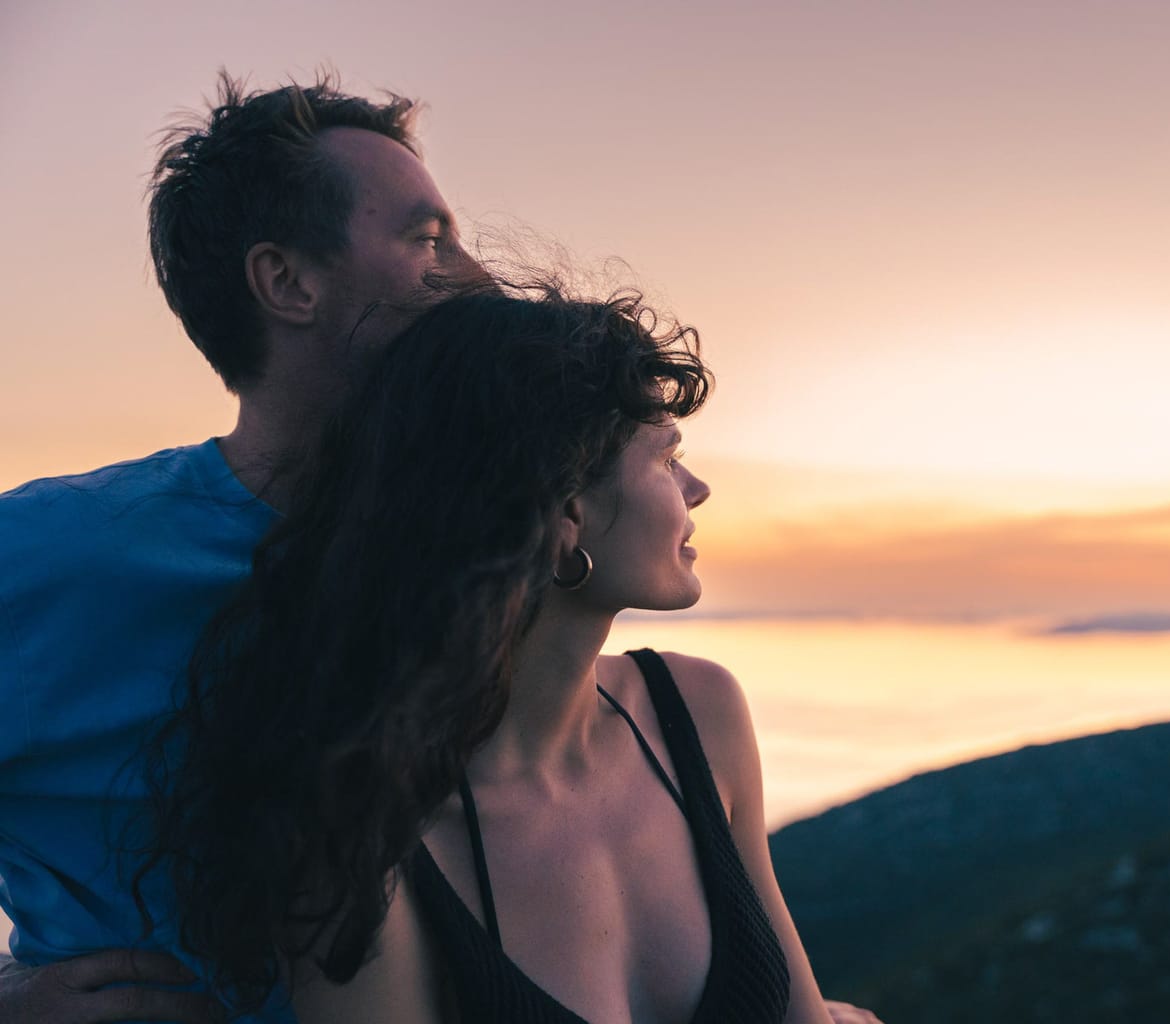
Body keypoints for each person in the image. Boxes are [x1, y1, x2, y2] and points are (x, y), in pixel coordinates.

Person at [0, 73, 882, 1024]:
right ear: (288, 282)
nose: (476, 278)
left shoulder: (497, 582)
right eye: (428, 241)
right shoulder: (48, 559)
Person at [142, 284, 838, 1024]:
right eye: (667, 459)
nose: (696, 488)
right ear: (565, 513)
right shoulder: (359, 834)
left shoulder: (698, 712)